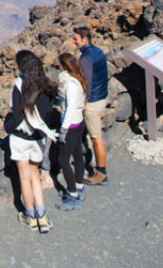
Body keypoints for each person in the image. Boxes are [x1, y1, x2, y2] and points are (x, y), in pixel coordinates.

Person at [8, 50, 59, 232]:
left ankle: (30, 217)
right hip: (38, 138)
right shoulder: (47, 85)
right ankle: (42, 217)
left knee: (24, 178)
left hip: (21, 138)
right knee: (34, 176)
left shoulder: (20, 85)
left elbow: (15, 115)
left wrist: (8, 128)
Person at [73, 26, 109, 186]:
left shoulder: (85, 58)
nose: (74, 42)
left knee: (96, 137)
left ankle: (101, 174)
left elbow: (87, 82)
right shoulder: (97, 51)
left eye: (76, 39)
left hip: (93, 102)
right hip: (102, 96)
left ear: (84, 39)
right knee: (95, 136)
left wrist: (85, 103)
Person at [55, 52, 87, 211]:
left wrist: (63, 129)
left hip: (71, 126)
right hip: (78, 122)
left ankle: (73, 195)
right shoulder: (78, 79)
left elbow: (71, 107)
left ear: (63, 66)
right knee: (77, 155)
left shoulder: (70, 84)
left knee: (63, 160)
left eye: (59, 65)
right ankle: (79, 186)